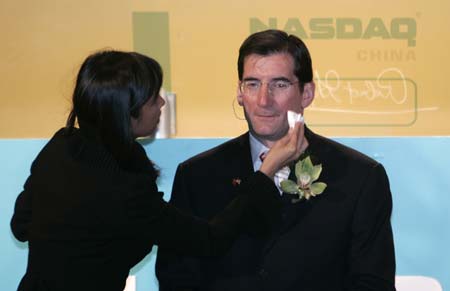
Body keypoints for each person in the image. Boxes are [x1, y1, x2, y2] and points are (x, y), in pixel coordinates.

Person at [10, 50, 305, 291]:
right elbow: (209, 240)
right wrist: (266, 171)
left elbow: (21, 226)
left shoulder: (62, 145)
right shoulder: (126, 188)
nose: (162, 102)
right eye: (153, 98)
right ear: (126, 111)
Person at [156, 29, 396, 291]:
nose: (263, 100)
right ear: (239, 92)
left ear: (307, 93)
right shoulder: (197, 176)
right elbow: (176, 279)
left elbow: (373, 283)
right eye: (253, 84)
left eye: (279, 84)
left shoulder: (359, 177)